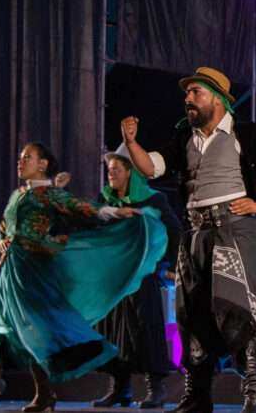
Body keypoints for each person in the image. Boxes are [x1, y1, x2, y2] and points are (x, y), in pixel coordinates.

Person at [120, 66, 256, 413]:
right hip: (195, 232)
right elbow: (152, 168)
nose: (188, 99)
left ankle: (255, 392)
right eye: (187, 94)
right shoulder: (183, 138)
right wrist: (131, 144)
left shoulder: (244, 133)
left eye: (195, 93)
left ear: (218, 100)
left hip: (234, 228)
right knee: (192, 313)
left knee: (238, 306)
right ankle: (198, 394)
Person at [0, 142, 167, 412]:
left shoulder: (49, 195)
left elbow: (83, 208)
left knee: (41, 331)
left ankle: (50, 392)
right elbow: (6, 225)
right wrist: (3, 240)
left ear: (43, 164)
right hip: (11, 273)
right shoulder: (18, 195)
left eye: (27, 157)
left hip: (34, 272)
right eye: (20, 157)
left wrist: (115, 212)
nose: (20, 161)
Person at [91, 145, 182, 409]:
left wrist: (172, 264)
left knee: (146, 327)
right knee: (111, 330)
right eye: (109, 170)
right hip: (114, 277)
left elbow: (174, 230)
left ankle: (156, 388)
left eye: (116, 169)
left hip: (142, 275)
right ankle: (119, 387)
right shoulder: (105, 200)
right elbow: (92, 224)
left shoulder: (152, 200)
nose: (111, 175)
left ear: (130, 172)